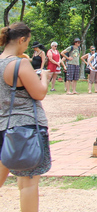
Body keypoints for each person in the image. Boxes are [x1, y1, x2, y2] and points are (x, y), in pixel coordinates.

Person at [0, 22, 52, 212]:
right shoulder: (19, 63)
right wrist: (44, 77)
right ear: (22, 39)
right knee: (28, 182)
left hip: (3, 125)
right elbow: (39, 93)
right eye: (27, 42)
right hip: (24, 127)